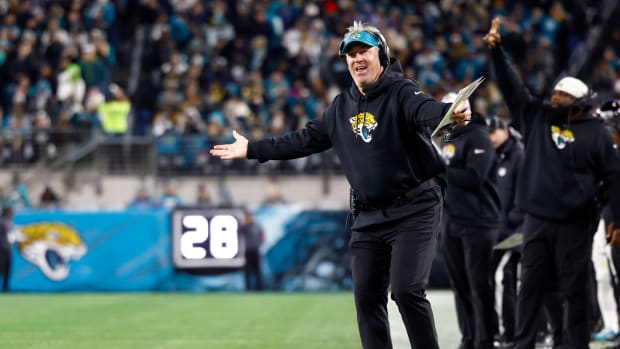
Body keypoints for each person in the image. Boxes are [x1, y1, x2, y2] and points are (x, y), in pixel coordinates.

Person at [211, 21, 471, 349]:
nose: (357, 58)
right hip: (370, 216)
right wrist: (252, 149)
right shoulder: (340, 107)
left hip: (415, 207)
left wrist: (451, 113)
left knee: (406, 290)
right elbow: (303, 140)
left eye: (365, 51)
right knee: (366, 299)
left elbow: (426, 111)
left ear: (382, 56)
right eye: (351, 53)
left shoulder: (401, 91)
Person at [483, 17, 620, 349]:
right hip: (537, 221)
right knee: (530, 287)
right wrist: (497, 53)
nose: (555, 98)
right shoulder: (538, 117)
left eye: (563, 96)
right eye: (556, 93)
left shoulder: (596, 132)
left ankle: (575, 343)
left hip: (575, 224)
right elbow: (513, 89)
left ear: (580, 101)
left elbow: (614, 176)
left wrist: (616, 217)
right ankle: (523, 343)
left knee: (574, 289)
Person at [439, 94, 501, 349]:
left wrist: (439, 170)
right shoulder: (446, 138)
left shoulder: (479, 137)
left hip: (478, 221)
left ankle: (485, 339)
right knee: (460, 284)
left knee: (479, 284)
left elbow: (475, 176)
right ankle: (468, 336)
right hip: (451, 219)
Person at [487, 116, 525, 347]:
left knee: (506, 277)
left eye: (494, 132)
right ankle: (503, 330)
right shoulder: (495, 155)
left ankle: (512, 330)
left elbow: (523, 193)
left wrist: (512, 220)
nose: (490, 137)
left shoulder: (518, 154)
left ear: (505, 132)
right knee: (498, 278)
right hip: (499, 229)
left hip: (516, 230)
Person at [238, 210, 264, 291]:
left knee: (257, 271)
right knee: (247, 271)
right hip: (247, 251)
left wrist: (258, 244)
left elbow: (262, 236)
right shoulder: (244, 226)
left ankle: (259, 287)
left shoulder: (257, 226)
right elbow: (238, 233)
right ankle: (248, 287)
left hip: (255, 250)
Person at [0, 206, 15, 292]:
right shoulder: (1, 222)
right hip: (1, 250)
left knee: (7, 271)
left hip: (8, 249)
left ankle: (6, 288)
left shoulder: (10, 223)